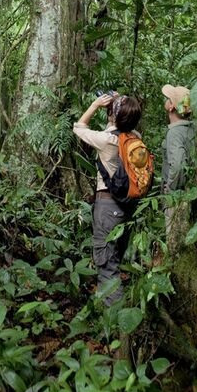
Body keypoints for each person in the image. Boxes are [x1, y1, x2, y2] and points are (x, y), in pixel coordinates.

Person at [73, 91, 144, 306]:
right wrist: (117, 109)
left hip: (107, 206)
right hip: (128, 206)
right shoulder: (135, 138)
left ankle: (115, 318)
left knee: (106, 266)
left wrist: (96, 105)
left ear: (112, 116)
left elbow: (79, 127)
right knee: (116, 259)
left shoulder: (105, 140)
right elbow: (118, 127)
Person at [161, 83, 197, 245]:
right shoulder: (194, 128)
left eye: (168, 99)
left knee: (174, 241)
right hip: (192, 192)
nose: (166, 100)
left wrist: (171, 187)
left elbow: (177, 165)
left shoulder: (174, 133)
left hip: (177, 197)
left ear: (171, 107)